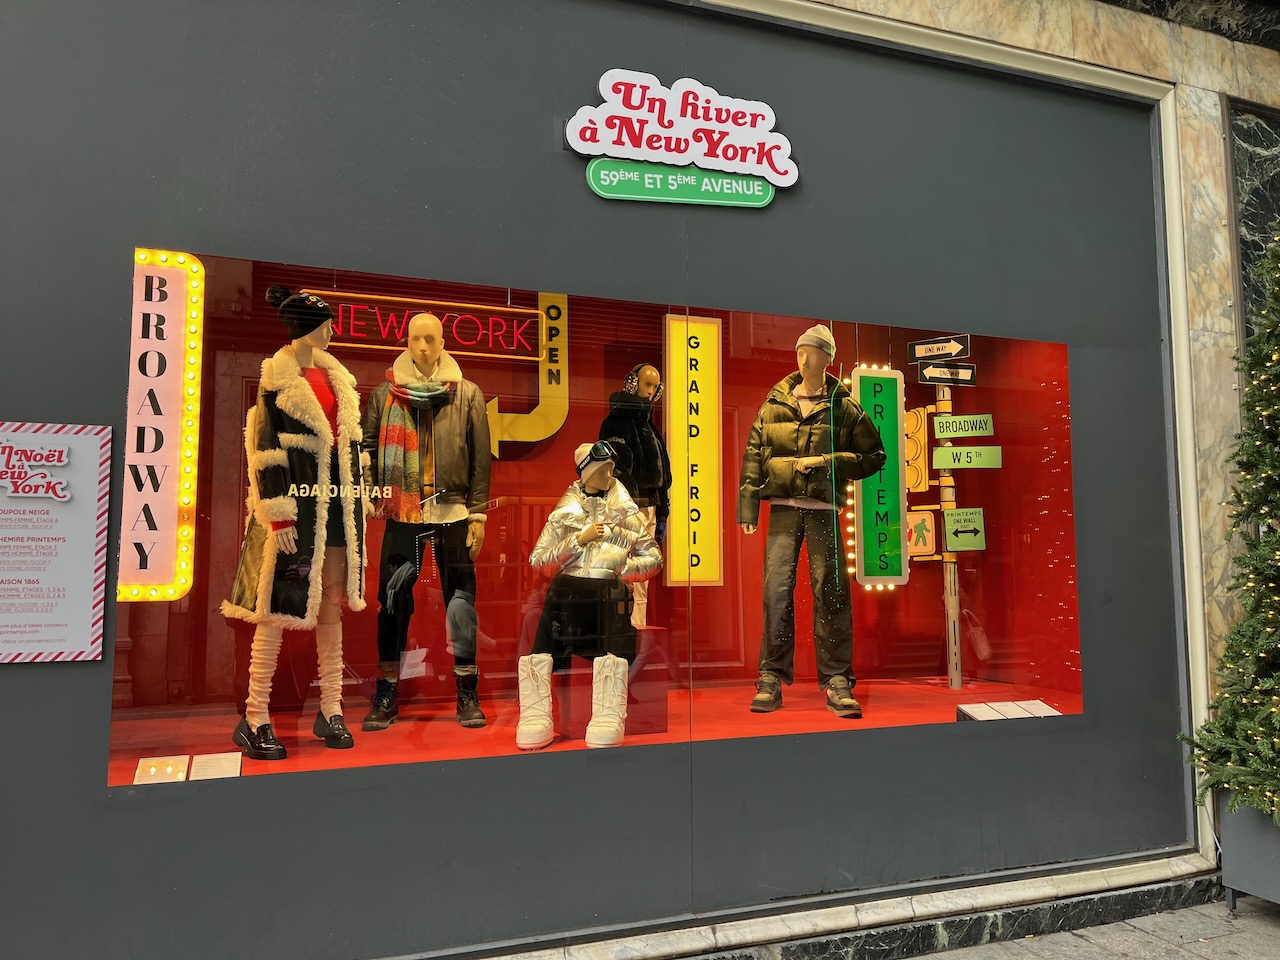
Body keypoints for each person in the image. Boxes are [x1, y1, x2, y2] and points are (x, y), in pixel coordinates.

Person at [223, 285, 369, 760]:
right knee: (275, 611)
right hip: (294, 518)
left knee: (331, 607)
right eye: (325, 324)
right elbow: (264, 453)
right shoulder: (275, 383)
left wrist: (360, 498)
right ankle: (255, 715)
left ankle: (332, 708)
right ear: (306, 327)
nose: (332, 332)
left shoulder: (340, 381)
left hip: (336, 516)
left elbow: (352, 450)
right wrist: (278, 515)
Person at [737, 324, 886, 718]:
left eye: (812, 352)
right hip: (783, 509)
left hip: (823, 510)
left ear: (828, 358)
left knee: (830, 591)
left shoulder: (844, 406)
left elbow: (875, 457)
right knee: (776, 591)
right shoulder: (775, 402)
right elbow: (753, 453)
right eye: (800, 351)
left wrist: (827, 462)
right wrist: (748, 508)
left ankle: (838, 679)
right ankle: (770, 676)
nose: (803, 359)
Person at [361, 312, 491, 730]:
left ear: (442, 343)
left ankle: (467, 691)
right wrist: (373, 493)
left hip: (452, 511)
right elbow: (367, 448)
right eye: (416, 338)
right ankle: (386, 692)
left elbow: (480, 457)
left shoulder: (467, 394)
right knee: (392, 601)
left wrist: (478, 514)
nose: (422, 346)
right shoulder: (385, 394)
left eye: (430, 339)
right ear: (406, 341)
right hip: (404, 512)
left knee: (461, 602)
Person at [516, 442, 662, 750]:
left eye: (611, 469)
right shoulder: (564, 515)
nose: (609, 474)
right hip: (569, 597)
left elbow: (653, 559)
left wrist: (619, 568)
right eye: (602, 469)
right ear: (586, 473)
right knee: (552, 602)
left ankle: (608, 712)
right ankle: (536, 712)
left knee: (611, 596)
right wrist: (577, 541)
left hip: (608, 595)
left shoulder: (627, 514)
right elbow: (538, 561)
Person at [598, 363, 671, 628]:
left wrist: (662, 510)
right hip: (629, 506)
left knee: (642, 568)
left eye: (655, 386)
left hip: (648, 505)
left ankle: (636, 623)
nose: (651, 391)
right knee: (621, 564)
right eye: (647, 384)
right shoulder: (617, 421)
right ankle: (617, 625)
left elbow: (663, 471)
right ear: (633, 383)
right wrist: (625, 501)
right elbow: (612, 467)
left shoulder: (648, 425)